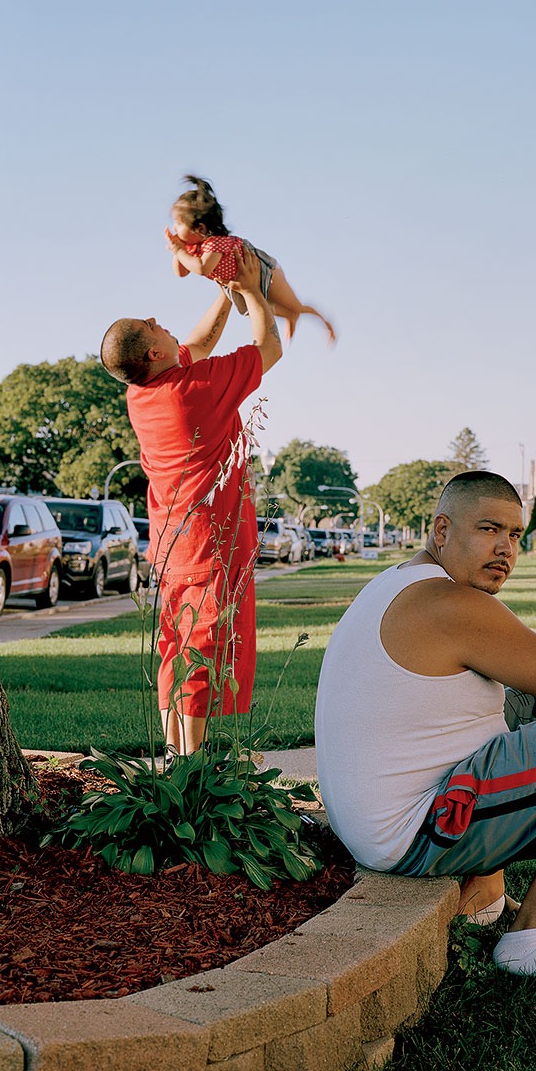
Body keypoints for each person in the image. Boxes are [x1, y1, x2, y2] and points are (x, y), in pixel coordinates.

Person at [315, 471, 536, 991]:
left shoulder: (395, 583)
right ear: (441, 530)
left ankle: (488, 893)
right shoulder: (449, 604)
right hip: (411, 834)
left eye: (515, 535)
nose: (505, 548)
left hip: (371, 827)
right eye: (488, 529)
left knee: (529, 698)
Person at [100, 249, 279, 755]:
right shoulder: (192, 391)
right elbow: (269, 347)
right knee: (201, 652)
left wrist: (224, 293)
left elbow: (196, 344)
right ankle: (190, 769)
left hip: (172, 546)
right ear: (152, 353)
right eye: (149, 325)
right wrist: (254, 291)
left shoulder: (145, 393)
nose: (158, 320)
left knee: (174, 649)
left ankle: (175, 763)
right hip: (209, 545)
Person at [165, 175, 336, 344]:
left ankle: (324, 322)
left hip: (265, 273)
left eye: (179, 223)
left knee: (295, 306)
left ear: (199, 228)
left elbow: (203, 268)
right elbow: (181, 272)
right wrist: (177, 250)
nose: (174, 227)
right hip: (245, 285)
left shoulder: (215, 243)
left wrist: (179, 251)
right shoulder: (192, 249)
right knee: (266, 309)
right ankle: (291, 317)